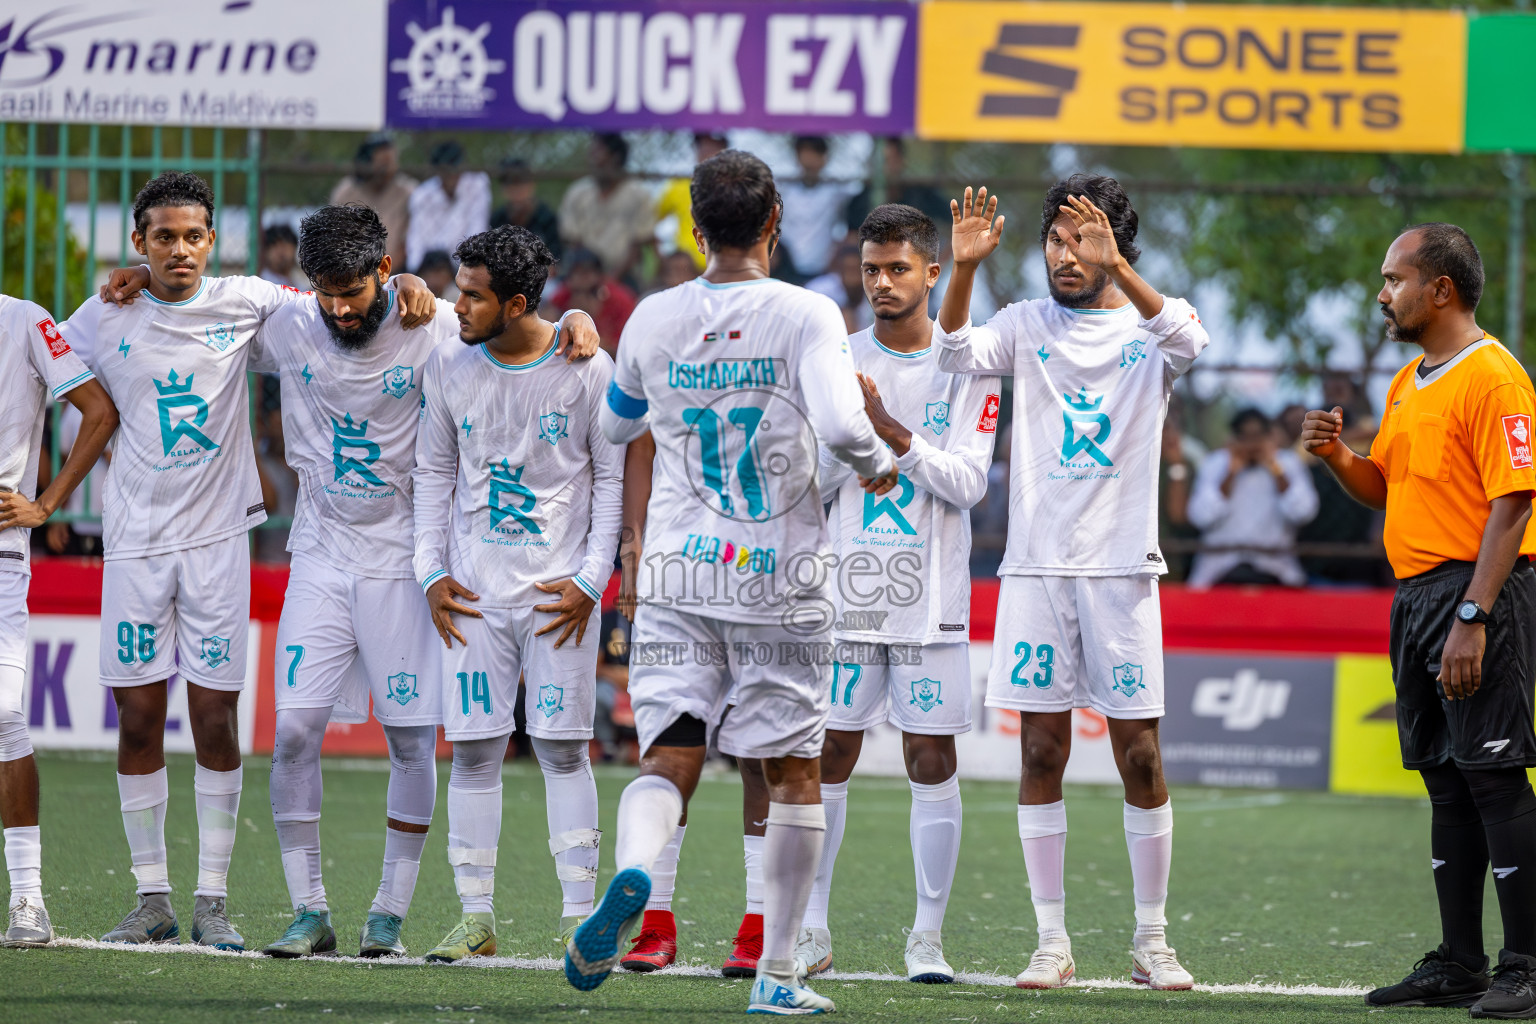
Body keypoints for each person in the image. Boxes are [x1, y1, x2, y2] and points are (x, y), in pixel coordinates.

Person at [61, 173, 436, 952]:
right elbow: (44, 359)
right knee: (198, 723)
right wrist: (134, 280)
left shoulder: (269, 305)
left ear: (212, 240)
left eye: (192, 236)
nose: (339, 308)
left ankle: (236, 903)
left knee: (234, 721)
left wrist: (415, 281)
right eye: (162, 237)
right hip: (175, 547)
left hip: (272, 550)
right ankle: (178, 900)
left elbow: (501, 337)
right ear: (139, 241)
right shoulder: (119, 312)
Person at [578, 148, 896, 1015]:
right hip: (776, 572)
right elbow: (842, 425)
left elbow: (615, 426)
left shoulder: (652, 316)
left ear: (694, 228)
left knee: (668, 752)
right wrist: (876, 461)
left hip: (679, 568)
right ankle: (777, 975)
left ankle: (636, 873)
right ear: (774, 223)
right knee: (792, 771)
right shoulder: (806, 311)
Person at [247, 205, 598, 958]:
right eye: (323, 291)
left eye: (351, 290)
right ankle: (309, 909)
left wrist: (577, 317)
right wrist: (138, 280)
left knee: (413, 742)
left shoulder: (438, 321)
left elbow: (519, 322)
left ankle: (388, 913)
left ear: (384, 271)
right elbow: (194, 306)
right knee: (294, 733)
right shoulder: (289, 321)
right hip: (319, 557)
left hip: (406, 567)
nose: (338, 308)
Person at [935, 177, 1209, 991]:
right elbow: (953, 353)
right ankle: (1051, 941)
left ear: (1115, 246)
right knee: (1041, 750)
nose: (1064, 255)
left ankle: (1152, 941)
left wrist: (1117, 268)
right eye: (1054, 240)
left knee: (1142, 757)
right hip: (1037, 572)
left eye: (1081, 240)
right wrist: (964, 269)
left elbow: (1193, 342)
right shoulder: (1025, 323)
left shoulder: (1153, 327)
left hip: (1122, 572)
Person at [1302, 223, 1536, 1018]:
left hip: (1478, 595)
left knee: (1495, 777)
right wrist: (1339, 458)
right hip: (1418, 598)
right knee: (1447, 780)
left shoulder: (1495, 378)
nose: (1382, 293)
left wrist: (1474, 613)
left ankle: (1526, 966)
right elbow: (1387, 488)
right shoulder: (1410, 379)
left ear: (1440, 289)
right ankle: (1461, 962)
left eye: (1393, 279)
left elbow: (1513, 505)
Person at [797, 204, 1001, 983]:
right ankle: (811, 929)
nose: (880, 282)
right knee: (829, 753)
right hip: (847, 597)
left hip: (932, 602)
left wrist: (890, 430)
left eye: (897, 269)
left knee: (930, 757)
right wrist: (851, 446)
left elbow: (970, 483)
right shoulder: (836, 358)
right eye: (870, 269)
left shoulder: (969, 365)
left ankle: (927, 938)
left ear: (932, 272)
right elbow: (811, 481)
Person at [413, 225, 622, 963]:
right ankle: (476, 919)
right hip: (471, 596)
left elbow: (611, 480)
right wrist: (430, 572)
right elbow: (433, 473)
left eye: (473, 296)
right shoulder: (448, 363)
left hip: (559, 598)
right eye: (458, 291)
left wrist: (593, 580)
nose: (457, 306)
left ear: (517, 303)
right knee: (473, 753)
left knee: (563, 751)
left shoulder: (588, 368)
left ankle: (578, 919)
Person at [0, 295, 117, 946]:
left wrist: (45, 504)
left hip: (1, 552)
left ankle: (28, 898)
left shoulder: (25, 320)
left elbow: (99, 411)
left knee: (3, 714)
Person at [1186, 407, 1319, 587]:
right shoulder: (1215, 463)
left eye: (1257, 437)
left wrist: (1275, 468)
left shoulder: (1288, 463)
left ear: (1269, 437)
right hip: (1219, 570)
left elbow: (1303, 513)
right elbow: (1200, 517)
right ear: (1233, 439)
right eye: (1245, 437)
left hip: (1276, 569)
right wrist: (1231, 472)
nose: (1251, 444)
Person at [558, 133, 656, 287]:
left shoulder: (638, 194)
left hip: (624, 275)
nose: (592, 159)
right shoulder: (578, 192)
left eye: (598, 153)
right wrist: (589, 276)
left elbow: (637, 245)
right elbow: (573, 241)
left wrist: (610, 281)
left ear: (615, 158)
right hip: (582, 272)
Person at [777, 136, 861, 281]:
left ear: (824, 158)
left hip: (823, 266)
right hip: (787, 266)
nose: (809, 160)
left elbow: (856, 184)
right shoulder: (785, 188)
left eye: (815, 154)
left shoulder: (835, 190)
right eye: (805, 153)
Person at [330, 134, 417, 270]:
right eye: (381, 163)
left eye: (389, 163)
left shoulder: (407, 191)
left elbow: (408, 242)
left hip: (396, 267)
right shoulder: (347, 191)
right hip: (351, 266)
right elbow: (336, 237)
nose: (385, 169)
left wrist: (384, 272)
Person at [406, 141, 492, 276]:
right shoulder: (422, 195)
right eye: (446, 169)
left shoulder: (477, 186)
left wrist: (457, 271)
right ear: (437, 170)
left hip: (465, 268)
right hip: (429, 268)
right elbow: (416, 241)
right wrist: (419, 274)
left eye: (455, 167)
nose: (451, 174)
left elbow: (477, 232)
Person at [654, 132, 728, 272]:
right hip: (685, 270)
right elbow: (650, 222)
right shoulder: (680, 185)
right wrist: (661, 257)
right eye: (703, 147)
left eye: (713, 148)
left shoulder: (735, 188)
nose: (707, 153)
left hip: (722, 269)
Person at [846, 137, 953, 232]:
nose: (880, 167)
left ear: (901, 160)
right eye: (875, 161)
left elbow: (954, 221)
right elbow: (851, 238)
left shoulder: (922, 195)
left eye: (886, 160)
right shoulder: (860, 202)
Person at [545, 249, 638, 358]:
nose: (582, 279)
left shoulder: (621, 301)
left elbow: (625, 349)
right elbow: (545, 325)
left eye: (587, 273)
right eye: (577, 273)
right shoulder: (565, 294)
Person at [490, 157, 562, 260]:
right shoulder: (497, 219)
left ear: (532, 184)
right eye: (511, 183)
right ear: (503, 188)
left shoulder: (546, 218)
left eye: (521, 183)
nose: (516, 189)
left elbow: (555, 260)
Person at [260, 225, 307, 290]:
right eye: (275, 247)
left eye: (285, 246)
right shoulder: (262, 282)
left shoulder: (301, 282)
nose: (280, 252)